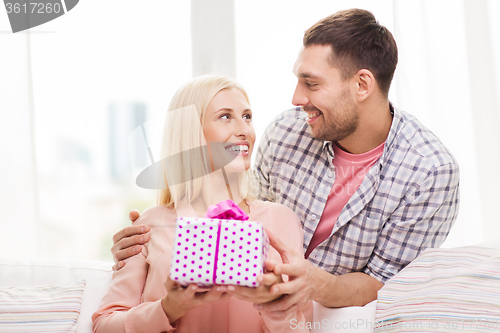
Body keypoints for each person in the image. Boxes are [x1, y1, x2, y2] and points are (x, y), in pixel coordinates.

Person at [111, 8, 460, 315]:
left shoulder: (430, 172)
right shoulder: (285, 133)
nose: (296, 98)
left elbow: (387, 284)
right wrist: (151, 246)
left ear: (362, 84)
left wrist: (313, 285)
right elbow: (248, 213)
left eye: (311, 83)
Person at [92, 75, 311, 333]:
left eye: (247, 116)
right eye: (226, 116)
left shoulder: (280, 220)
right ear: (190, 133)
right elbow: (104, 325)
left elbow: (303, 327)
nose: (245, 130)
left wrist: (275, 305)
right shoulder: (150, 225)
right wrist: (168, 308)